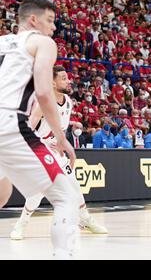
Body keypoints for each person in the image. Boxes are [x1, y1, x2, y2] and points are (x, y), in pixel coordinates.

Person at [0, 0, 78, 259]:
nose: (53, 28)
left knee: (2, 193)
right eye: (50, 21)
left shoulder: (1, 42)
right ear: (33, 20)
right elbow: (45, 93)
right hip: (9, 123)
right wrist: (61, 137)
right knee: (66, 196)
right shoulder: (42, 42)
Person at [9, 66, 108, 240]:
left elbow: (60, 127)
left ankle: (85, 220)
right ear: (53, 83)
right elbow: (29, 127)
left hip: (58, 150)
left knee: (74, 186)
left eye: (67, 78)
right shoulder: (43, 102)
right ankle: (21, 224)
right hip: (42, 149)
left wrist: (63, 143)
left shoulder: (68, 101)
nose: (68, 81)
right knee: (37, 193)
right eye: (63, 78)